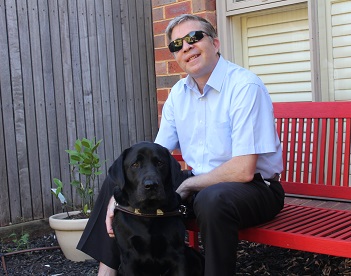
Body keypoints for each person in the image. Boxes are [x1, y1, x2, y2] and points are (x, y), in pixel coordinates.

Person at [77, 14, 285, 276]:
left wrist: (185, 186)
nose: (186, 47)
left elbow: (243, 170)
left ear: (215, 43)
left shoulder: (244, 86)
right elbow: (153, 155)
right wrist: (118, 197)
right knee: (123, 176)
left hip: (253, 188)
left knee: (213, 199)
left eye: (194, 38)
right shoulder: (178, 93)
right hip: (203, 183)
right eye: (177, 45)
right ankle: (107, 272)